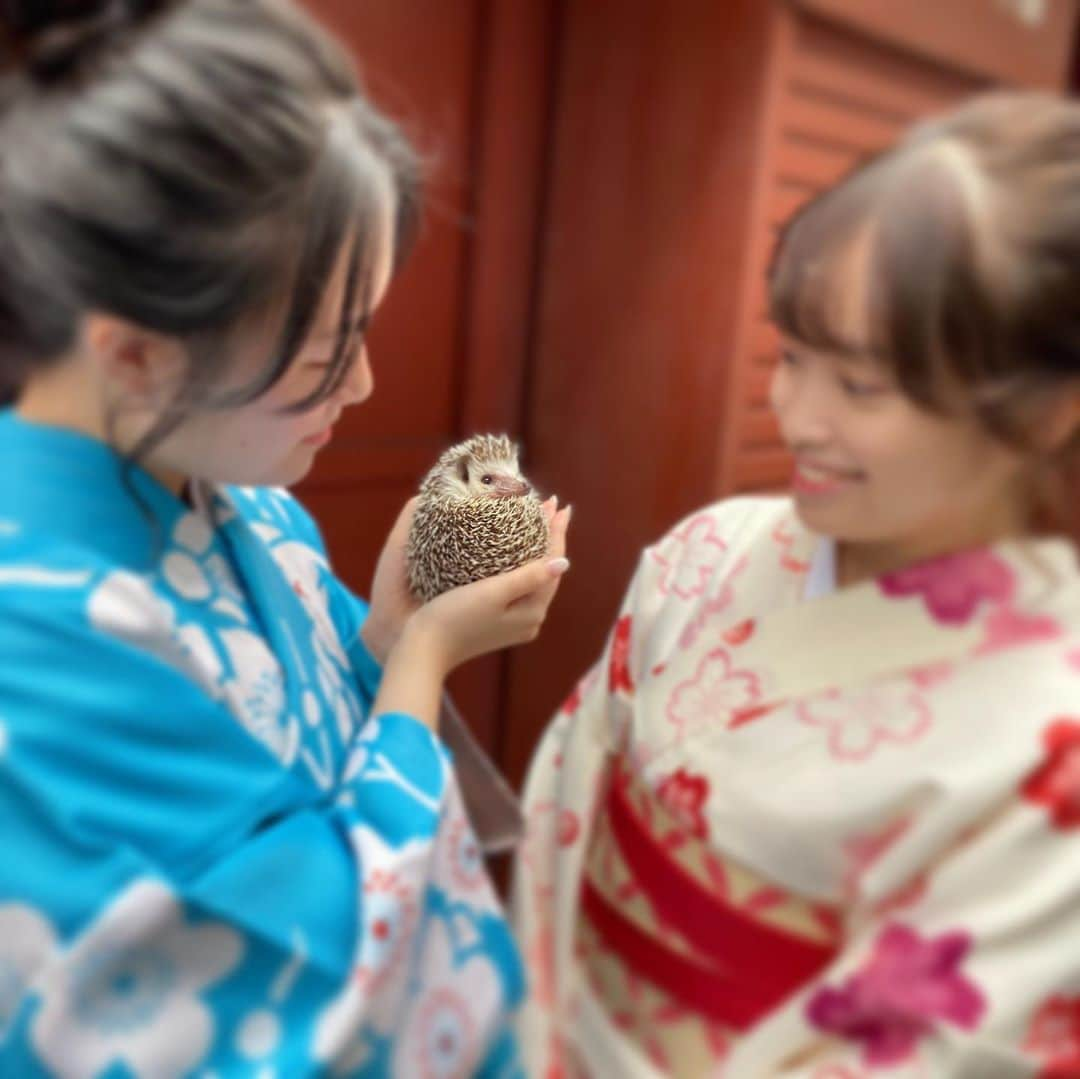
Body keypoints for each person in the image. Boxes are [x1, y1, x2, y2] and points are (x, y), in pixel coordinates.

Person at [0, 1, 570, 1075]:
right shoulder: (27, 623)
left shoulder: (239, 493)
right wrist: (424, 656)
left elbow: (302, 742)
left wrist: (386, 630)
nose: (362, 383)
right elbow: (313, 992)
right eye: (324, 349)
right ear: (132, 356)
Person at [513, 92, 1080, 1078]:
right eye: (792, 356)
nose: (798, 416)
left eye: (859, 387)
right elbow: (572, 797)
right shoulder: (711, 550)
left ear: (1041, 417)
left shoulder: (1054, 735)